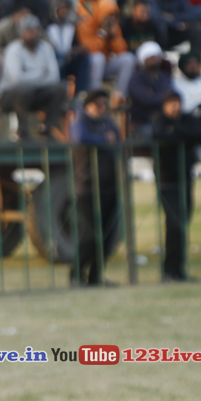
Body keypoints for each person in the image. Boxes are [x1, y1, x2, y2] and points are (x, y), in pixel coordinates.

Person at [152, 91, 201, 282]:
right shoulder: (158, 120)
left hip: (185, 178)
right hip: (167, 180)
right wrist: (183, 135)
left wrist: (176, 130)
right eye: (171, 103)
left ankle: (178, 270)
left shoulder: (186, 119)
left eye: (177, 102)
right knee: (174, 224)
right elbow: (161, 135)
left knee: (183, 224)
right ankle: (169, 270)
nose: (175, 106)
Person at [69, 89, 121, 287]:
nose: (102, 108)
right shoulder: (81, 122)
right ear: (88, 105)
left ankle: (95, 277)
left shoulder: (108, 122)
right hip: (88, 188)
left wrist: (106, 138)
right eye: (98, 104)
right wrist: (104, 140)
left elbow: (118, 136)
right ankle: (76, 275)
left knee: (107, 237)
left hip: (109, 186)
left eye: (104, 104)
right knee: (89, 235)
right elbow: (81, 138)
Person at [0, 15, 68, 139]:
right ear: (21, 33)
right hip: (10, 96)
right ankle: (22, 131)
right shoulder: (13, 50)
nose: (33, 34)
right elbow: (16, 80)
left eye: (35, 30)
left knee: (61, 88)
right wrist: (41, 74)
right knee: (23, 90)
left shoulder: (46, 48)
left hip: (36, 94)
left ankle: (47, 127)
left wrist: (28, 76)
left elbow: (54, 77)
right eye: (29, 31)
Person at [76, 0, 136, 100]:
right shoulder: (86, 24)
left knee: (128, 58)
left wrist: (113, 36)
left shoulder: (114, 27)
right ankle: (95, 97)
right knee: (98, 58)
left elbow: (122, 50)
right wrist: (102, 34)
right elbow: (91, 50)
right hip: (89, 66)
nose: (111, 19)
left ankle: (120, 97)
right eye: (108, 15)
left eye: (114, 16)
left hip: (106, 65)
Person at [126, 41, 173, 138]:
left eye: (156, 57)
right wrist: (163, 96)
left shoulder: (165, 76)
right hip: (143, 121)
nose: (154, 60)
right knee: (150, 132)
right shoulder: (136, 79)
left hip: (164, 119)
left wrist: (155, 95)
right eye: (151, 58)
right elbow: (146, 99)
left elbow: (171, 95)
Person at [46, 0, 92, 94]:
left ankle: (80, 92)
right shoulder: (47, 26)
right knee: (59, 60)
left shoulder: (71, 27)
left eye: (66, 8)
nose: (64, 11)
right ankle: (58, 92)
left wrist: (78, 49)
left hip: (68, 58)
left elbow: (75, 45)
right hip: (52, 59)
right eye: (61, 8)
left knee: (84, 59)